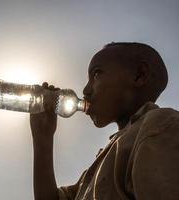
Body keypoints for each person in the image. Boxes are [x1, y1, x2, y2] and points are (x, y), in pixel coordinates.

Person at [30, 42, 179, 200]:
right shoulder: (104, 159)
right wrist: (43, 139)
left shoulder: (159, 126)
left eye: (96, 74)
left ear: (139, 75)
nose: (86, 90)